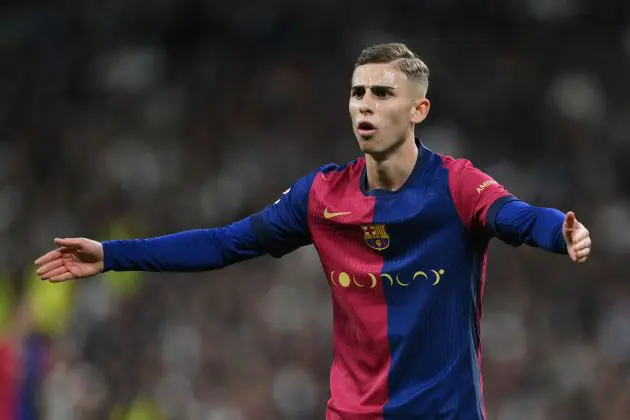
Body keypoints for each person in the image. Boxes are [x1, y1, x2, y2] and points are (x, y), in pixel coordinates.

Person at [34, 42, 592, 419]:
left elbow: (514, 217)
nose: (364, 107)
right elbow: (226, 243)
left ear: (419, 109)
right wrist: (112, 254)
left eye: (381, 94)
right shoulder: (322, 196)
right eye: (357, 93)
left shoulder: (456, 186)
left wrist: (558, 232)